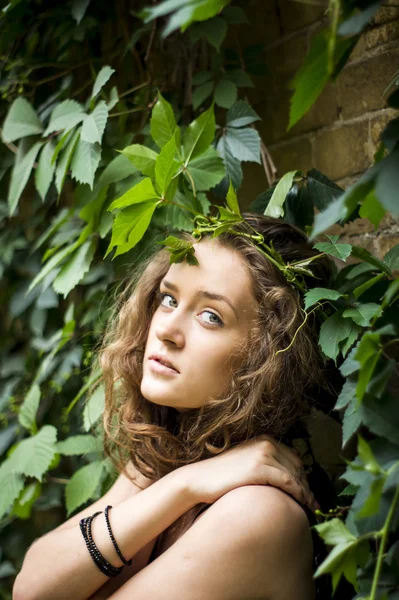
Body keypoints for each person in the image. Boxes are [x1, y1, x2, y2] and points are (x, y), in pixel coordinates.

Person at [13, 213, 333, 600]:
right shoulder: (172, 458)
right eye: (169, 299)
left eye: (211, 317)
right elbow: (31, 589)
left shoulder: (259, 512)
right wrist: (182, 485)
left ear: (268, 357)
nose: (166, 329)